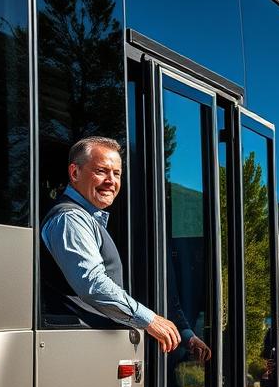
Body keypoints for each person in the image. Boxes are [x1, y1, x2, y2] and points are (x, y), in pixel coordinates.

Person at [40, 136, 185, 354]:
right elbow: (92, 283)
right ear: (74, 173)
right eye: (101, 171)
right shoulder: (70, 218)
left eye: (116, 174)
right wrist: (149, 319)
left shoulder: (86, 218)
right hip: (74, 351)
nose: (111, 181)